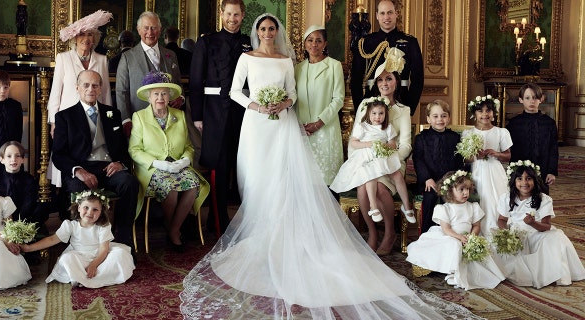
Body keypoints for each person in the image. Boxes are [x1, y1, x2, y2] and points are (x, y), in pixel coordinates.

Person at [180, 13, 480, 319]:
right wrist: (258, 106)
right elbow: (234, 91)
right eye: (263, 28)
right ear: (256, 31)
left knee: (284, 178)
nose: (268, 32)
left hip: (286, 124)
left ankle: (290, 233)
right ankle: (258, 233)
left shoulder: (288, 61)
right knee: (254, 178)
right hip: (256, 126)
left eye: (272, 28)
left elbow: (294, 94)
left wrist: (283, 104)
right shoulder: (248, 57)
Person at [52, 70, 139, 249]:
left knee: (129, 182)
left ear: (100, 89)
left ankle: (122, 241)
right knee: (76, 187)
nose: (90, 89)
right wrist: (79, 172)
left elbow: (123, 148)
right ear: (77, 88)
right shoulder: (64, 116)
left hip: (109, 168)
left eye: (95, 85)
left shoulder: (112, 114)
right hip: (82, 169)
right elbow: (59, 155)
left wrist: (120, 163)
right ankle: (80, 243)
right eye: (86, 85)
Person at [189, 0, 252, 234]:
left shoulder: (250, 42)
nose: (232, 19)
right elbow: (196, 82)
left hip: (244, 111)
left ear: (243, 15)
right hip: (214, 111)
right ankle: (218, 220)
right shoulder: (207, 42)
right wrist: (197, 115)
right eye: (229, 14)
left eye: (236, 14)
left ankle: (245, 219)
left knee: (243, 164)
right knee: (219, 165)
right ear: (221, 14)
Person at [128, 71, 210, 252]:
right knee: (170, 188)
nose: (160, 97)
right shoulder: (139, 117)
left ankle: (173, 228)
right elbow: (134, 150)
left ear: (169, 96)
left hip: (178, 165)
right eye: (156, 94)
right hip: (152, 168)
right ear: (149, 97)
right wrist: (158, 164)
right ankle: (172, 228)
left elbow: (189, 146)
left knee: (193, 184)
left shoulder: (178, 116)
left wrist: (184, 161)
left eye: (164, 93)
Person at [351, 48, 412, 254]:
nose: (384, 84)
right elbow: (355, 140)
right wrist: (363, 159)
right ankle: (372, 232)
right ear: (376, 84)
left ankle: (388, 233)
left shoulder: (404, 111)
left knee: (380, 188)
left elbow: (405, 145)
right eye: (380, 80)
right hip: (367, 159)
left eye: (389, 79)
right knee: (363, 188)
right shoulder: (365, 106)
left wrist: (388, 160)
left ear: (396, 82)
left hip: (391, 162)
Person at [406, 170, 505, 290]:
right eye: (461, 189)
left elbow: (476, 225)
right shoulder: (444, 208)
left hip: (468, 236)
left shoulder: (472, 207)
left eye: (468, 189)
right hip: (450, 236)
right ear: (450, 191)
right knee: (455, 245)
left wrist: (472, 237)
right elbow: (446, 229)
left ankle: (472, 273)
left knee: (485, 246)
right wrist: (460, 237)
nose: (466, 193)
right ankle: (453, 271)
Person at [48, 10, 113, 188]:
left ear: (95, 38)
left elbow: (105, 92)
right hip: (68, 119)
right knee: (68, 156)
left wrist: (108, 119)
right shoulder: (63, 58)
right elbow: (55, 92)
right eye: (82, 34)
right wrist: (54, 122)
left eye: (90, 34)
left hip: (95, 114)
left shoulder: (102, 60)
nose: (86, 38)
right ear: (75, 38)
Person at [494, 161, 585, 289]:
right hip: (517, 233)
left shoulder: (544, 199)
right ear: (514, 181)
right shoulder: (507, 198)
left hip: (537, 233)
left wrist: (533, 223)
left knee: (556, 238)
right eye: (520, 179)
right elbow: (502, 220)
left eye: (529, 179)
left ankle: (555, 273)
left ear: (535, 181)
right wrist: (506, 234)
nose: (524, 183)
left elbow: (546, 226)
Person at [21, 189, 135, 288]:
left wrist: (94, 264)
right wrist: (29, 248)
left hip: (100, 256)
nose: (90, 212)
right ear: (79, 207)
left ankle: (91, 277)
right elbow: (52, 239)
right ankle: (83, 277)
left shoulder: (103, 226)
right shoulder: (70, 225)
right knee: (66, 258)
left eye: (95, 210)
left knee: (120, 254)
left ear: (101, 212)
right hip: (79, 256)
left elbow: (104, 249)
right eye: (86, 207)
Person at [330, 96, 415, 225]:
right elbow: (353, 143)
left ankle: (407, 206)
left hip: (382, 156)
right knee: (370, 175)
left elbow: (392, 143)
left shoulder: (387, 127)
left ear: (385, 114)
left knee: (397, 175)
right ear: (368, 113)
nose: (377, 117)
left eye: (381, 113)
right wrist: (369, 144)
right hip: (366, 156)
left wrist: (385, 146)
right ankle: (373, 207)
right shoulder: (362, 126)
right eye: (374, 113)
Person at [350, 0, 424, 115]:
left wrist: (409, 108)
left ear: (396, 14)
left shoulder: (410, 42)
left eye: (390, 12)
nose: (386, 17)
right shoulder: (365, 43)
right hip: (371, 102)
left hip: (401, 101)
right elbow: (355, 80)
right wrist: (361, 108)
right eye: (382, 13)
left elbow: (418, 79)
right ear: (377, 16)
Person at [294, 25, 344, 191]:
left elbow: (338, 99)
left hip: (326, 128)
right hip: (303, 130)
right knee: (304, 180)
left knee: (325, 181)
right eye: (310, 40)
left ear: (325, 44)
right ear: (305, 43)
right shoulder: (298, 68)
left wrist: (318, 123)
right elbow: (293, 99)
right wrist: (300, 126)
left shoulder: (334, 66)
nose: (313, 44)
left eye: (318, 40)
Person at [116, 11, 181, 134]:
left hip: (169, 123)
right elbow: (121, 92)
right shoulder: (127, 57)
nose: (150, 32)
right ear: (139, 30)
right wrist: (126, 120)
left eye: (154, 28)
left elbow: (178, 83)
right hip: (139, 123)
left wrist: (181, 98)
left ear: (160, 30)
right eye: (146, 28)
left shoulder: (171, 55)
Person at [412, 100, 464, 232]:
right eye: (435, 116)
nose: (440, 119)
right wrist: (426, 178)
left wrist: (455, 179)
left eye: (444, 115)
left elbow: (459, 160)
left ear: (449, 118)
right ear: (428, 119)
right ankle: (426, 233)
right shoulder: (421, 138)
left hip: (450, 180)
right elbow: (418, 159)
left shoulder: (455, 137)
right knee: (430, 197)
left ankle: (452, 232)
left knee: (453, 197)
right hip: (429, 181)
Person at [463, 95, 512, 234]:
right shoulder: (468, 133)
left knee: (497, 198)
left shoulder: (501, 132)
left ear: (494, 113)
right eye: (481, 111)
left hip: (495, 170)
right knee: (482, 197)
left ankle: (500, 229)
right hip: (477, 170)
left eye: (488, 111)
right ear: (474, 114)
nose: (485, 114)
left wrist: (496, 154)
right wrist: (475, 156)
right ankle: (478, 230)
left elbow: (508, 155)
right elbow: (465, 158)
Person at [0, 141, 48, 265]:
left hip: (23, 218)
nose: (13, 159)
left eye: (17, 156)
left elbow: (28, 205)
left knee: (41, 209)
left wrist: (18, 227)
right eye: (9, 156)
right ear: (1, 159)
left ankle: (26, 248)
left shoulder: (29, 179)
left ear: (23, 159)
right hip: (2, 219)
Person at [506, 83, 558, 190]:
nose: (532, 101)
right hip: (519, 171)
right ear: (521, 100)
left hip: (542, 170)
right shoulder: (513, 123)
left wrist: (551, 172)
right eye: (527, 98)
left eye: (535, 98)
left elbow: (553, 149)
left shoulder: (549, 123)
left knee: (540, 200)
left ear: (541, 99)